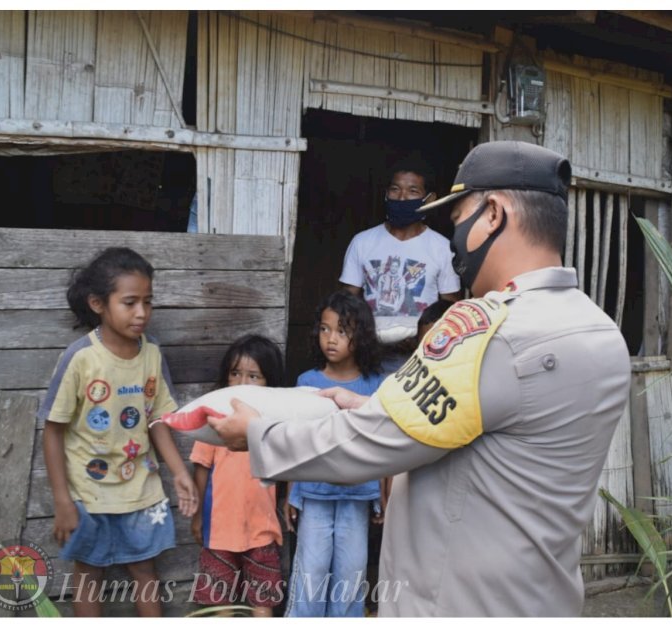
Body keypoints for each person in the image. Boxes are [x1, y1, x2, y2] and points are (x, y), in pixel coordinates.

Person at [205, 141, 633, 616]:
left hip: (453, 604)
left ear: (493, 214)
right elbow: (497, 427)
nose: (455, 243)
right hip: (542, 598)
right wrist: (373, 406)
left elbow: (376, 443)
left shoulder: (486, 329)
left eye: (459, 221)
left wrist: (261, 435)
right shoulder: (602, 333)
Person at [40, 247, 198, 617]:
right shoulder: (81, 358)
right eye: (130, 302)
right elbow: (53, 429)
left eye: (148, 301)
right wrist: (62, 501)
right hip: (88, 493)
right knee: (88, 574)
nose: (142, 313)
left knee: (145, 569)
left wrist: (179, 472)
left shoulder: (152, 354)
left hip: (140, 489)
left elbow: (158, 418)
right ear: (98, 303)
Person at [284, 290, 386, 617]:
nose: (331, 339)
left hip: (358, 493)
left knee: (351, 575)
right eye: (325, 329)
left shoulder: (375, 386)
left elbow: (384, 445)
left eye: (342, 331)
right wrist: (290, 494)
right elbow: (295, 443)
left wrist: (384, 494)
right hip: (313, 492)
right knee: (311, 574)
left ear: (362, 337)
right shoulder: (307, 382)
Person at [188, 334, 286, 616]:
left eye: (254, 376)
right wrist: (198, 517)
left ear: (270, 382)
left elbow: (291, 468)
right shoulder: (215, 421)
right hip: (219, 529)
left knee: (263, 601)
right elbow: (202, 468)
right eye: (235, 374)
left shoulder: (274, 423)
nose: (243, 383)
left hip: (262, 527)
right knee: (221, 604)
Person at [339, 159, 461, 372]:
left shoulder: (442, 248)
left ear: (429, 199)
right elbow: (346, 302)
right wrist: (363, 340)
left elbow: (449, 308)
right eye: (395, 190)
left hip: (421, 360)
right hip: (368, 358)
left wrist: (421, 340)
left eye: (412, 191)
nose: (402, 197)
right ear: (386, 194)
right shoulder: (363, 242)